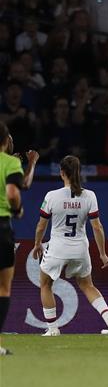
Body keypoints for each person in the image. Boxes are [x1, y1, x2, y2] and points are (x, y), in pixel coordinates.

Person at [31, 156, 108, 336]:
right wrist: (103, 253)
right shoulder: (90, 195)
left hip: (58, 247)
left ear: (62, 173)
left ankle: (52, 328)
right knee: (87, 285)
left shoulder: (51, 196)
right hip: (80, 248)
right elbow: (97, 226)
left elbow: (41, 225)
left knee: (45, 284)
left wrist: (37, 244)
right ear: (78, 173)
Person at [0, 124, 23, 355]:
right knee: (3, 287)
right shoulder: (10, 162)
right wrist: (17, 209)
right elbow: (13, 193)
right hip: (1, 227)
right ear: (6, 140)